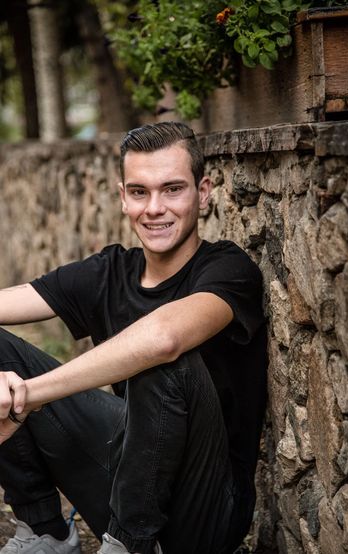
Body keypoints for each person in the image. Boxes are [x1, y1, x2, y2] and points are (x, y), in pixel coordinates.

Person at [0, 122, 267, 554]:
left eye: (173, 189)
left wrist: (26, 394)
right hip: (127, 480)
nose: (155, 208)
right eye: (140, 192)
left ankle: (129, 545)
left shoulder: (229, 271)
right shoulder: (109, 273)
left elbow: (163, 338)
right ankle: (45, 532)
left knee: (160, 356)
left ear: (204, 192)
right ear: (123, 197)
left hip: (206, 511)